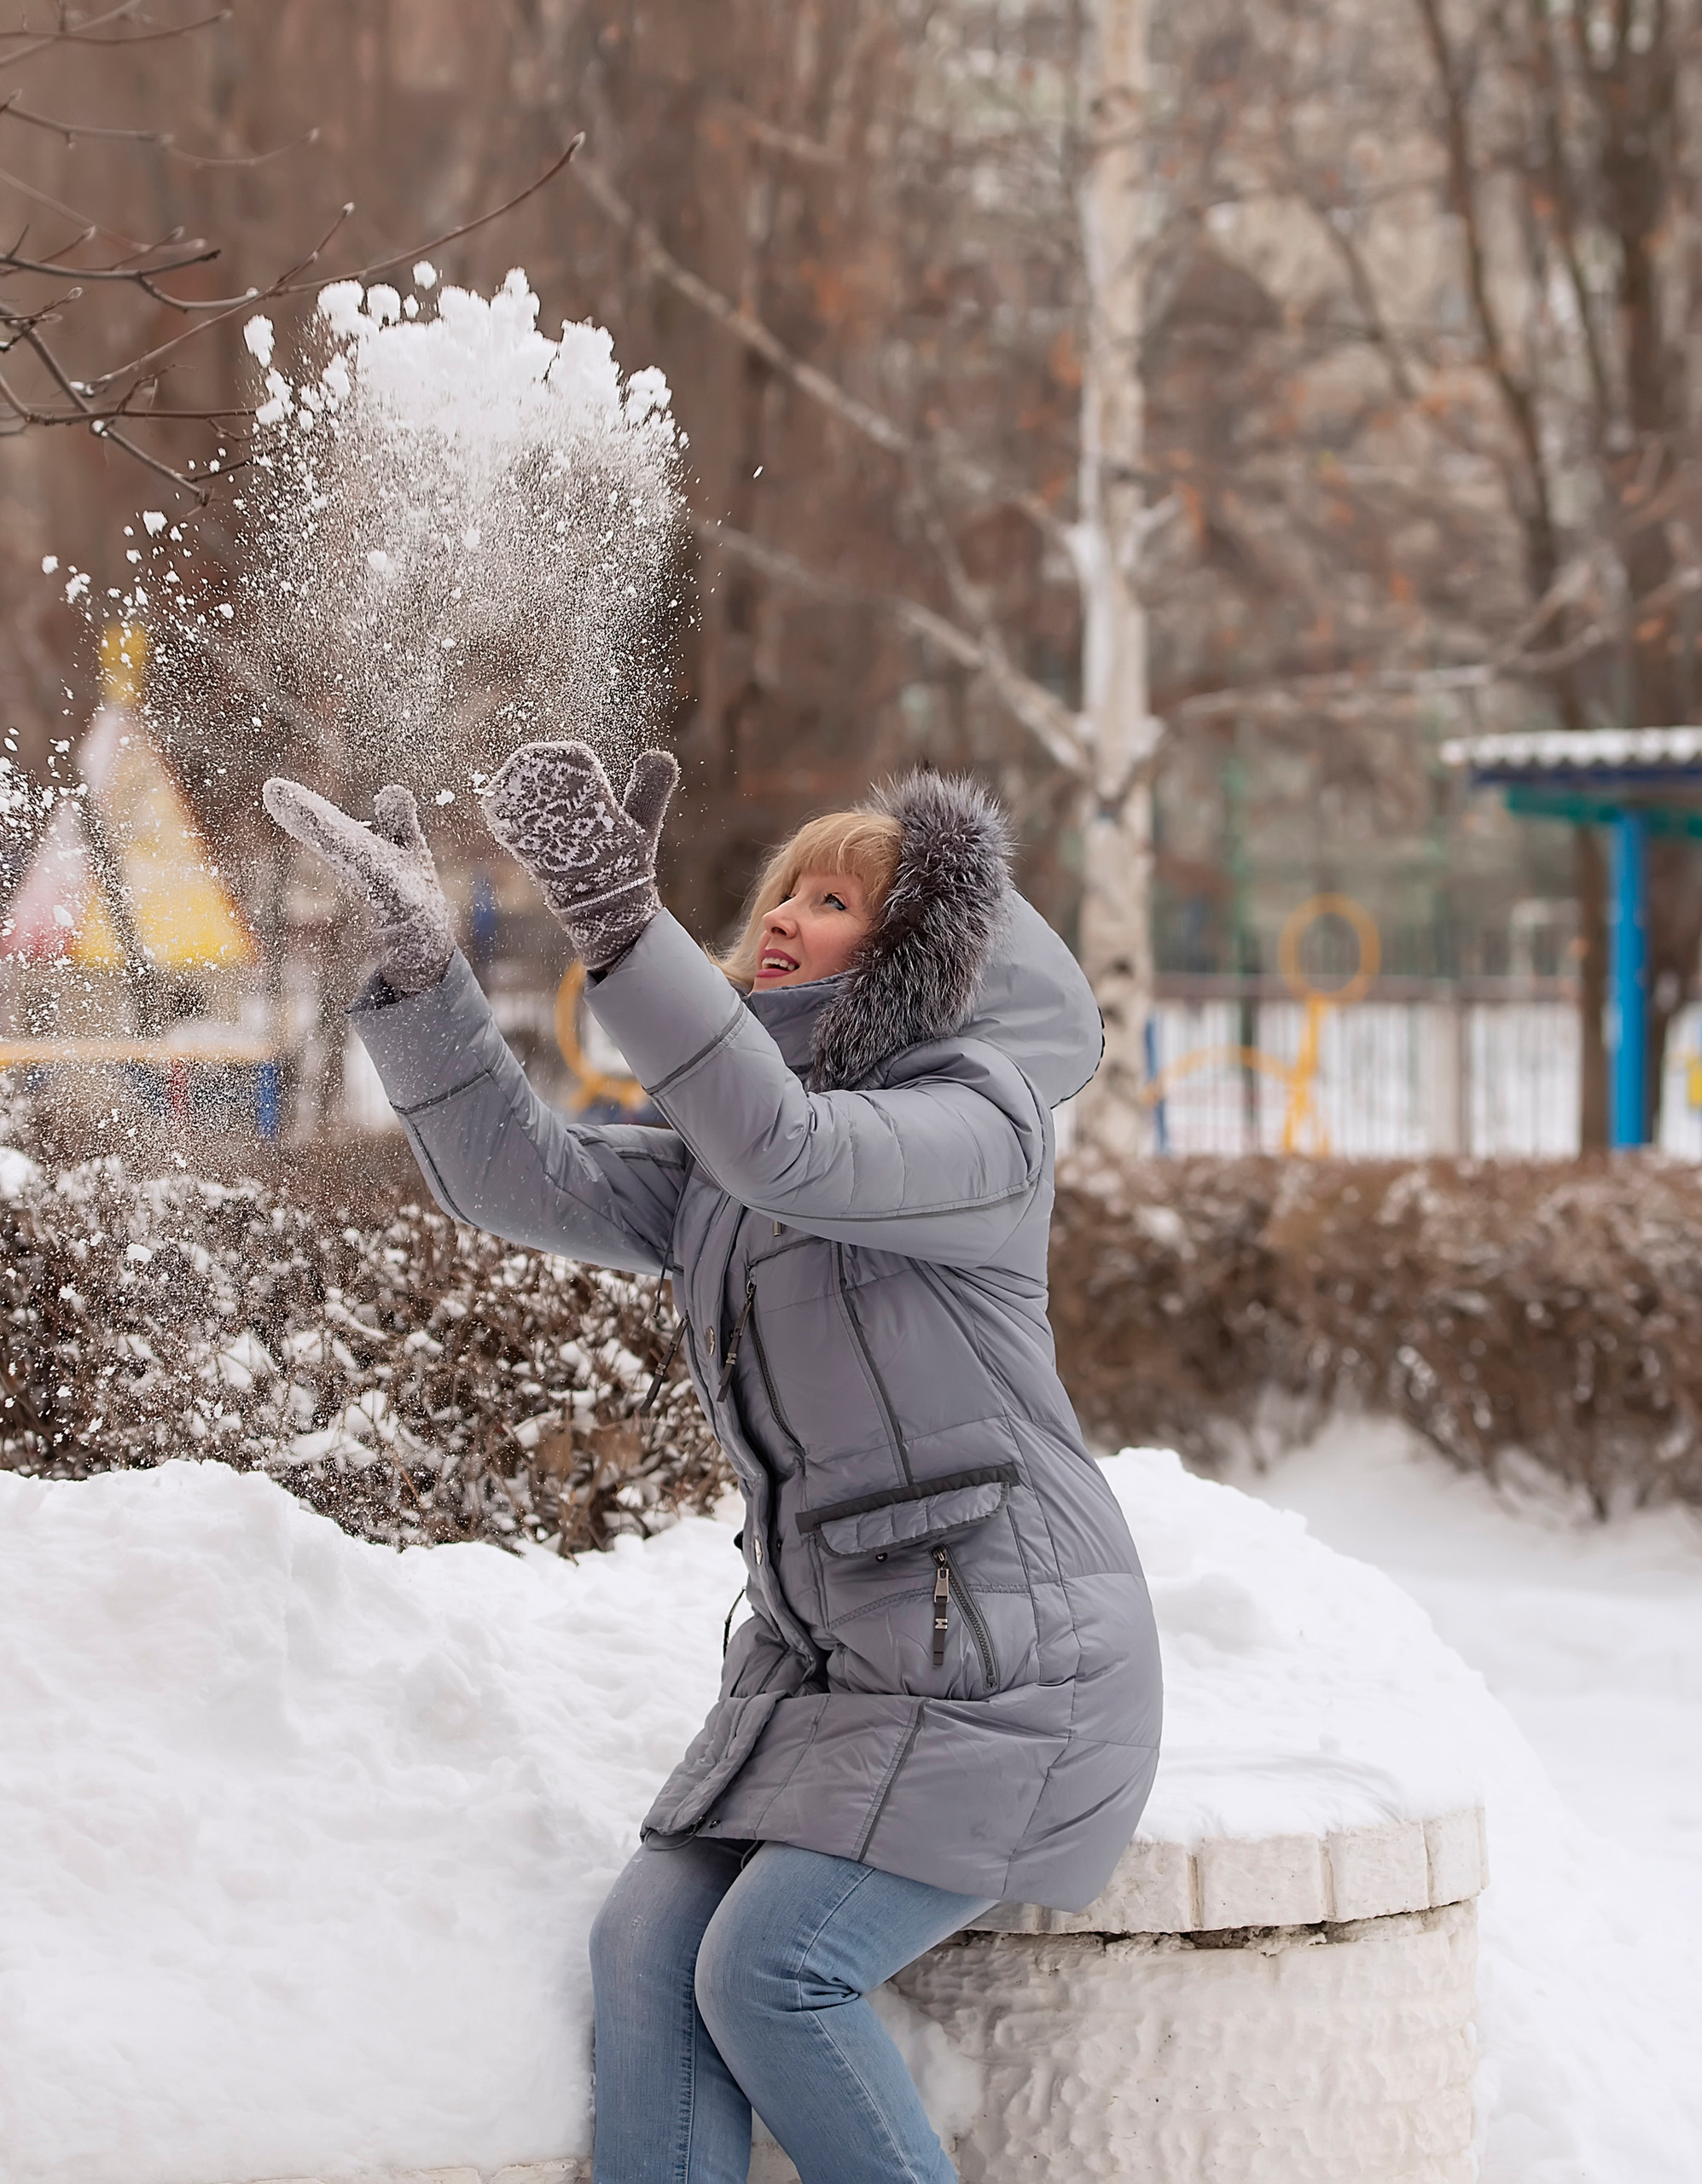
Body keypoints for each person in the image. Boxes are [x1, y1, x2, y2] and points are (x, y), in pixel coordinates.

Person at [264, 744, 1162, 2184]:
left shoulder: (978, 1122)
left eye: (837, 900)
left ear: (928, 957)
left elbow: (796, 1149)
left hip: (1011, 1673)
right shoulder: (727, 1165)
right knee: (644, 1945)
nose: (788, 915)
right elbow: (521, 1177)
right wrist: (418, 977)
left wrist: (626, 927)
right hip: (831, 1678)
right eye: (784, 891)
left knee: (769, 1969)